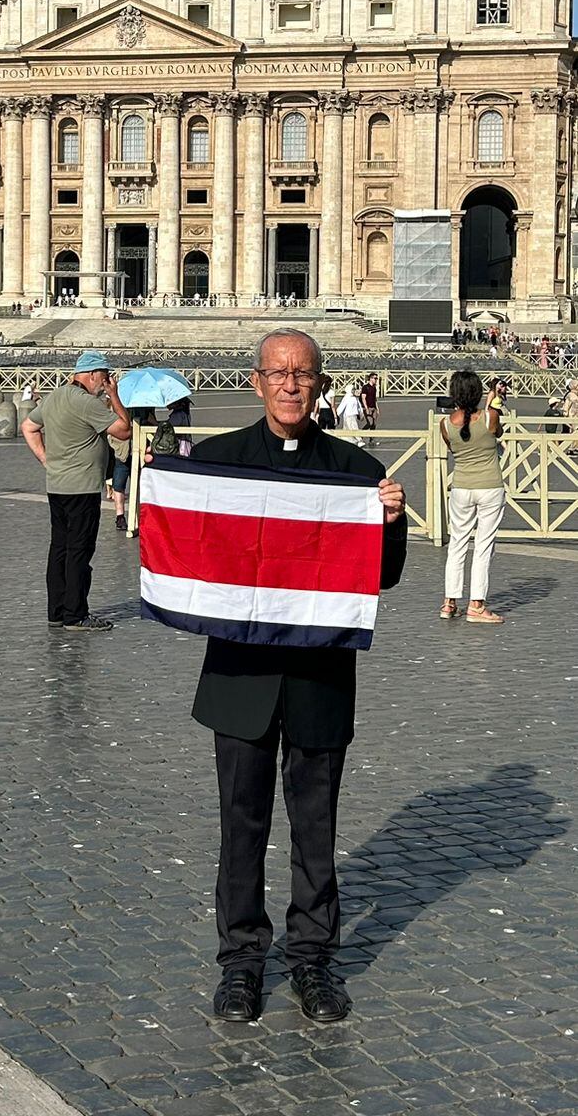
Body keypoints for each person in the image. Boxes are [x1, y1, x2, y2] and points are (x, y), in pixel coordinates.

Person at [184, 331, 406, 1025]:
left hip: (319, 679)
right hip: (241, 679)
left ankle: (313, 962)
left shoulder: (355, 472)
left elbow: (385, 575)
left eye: (302, 375)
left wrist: (390, 522)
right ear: (256, 382)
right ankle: (242, 964)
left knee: (316, 827)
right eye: (278, 373)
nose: (290, 386)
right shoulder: (215, 465)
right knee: (239, 827)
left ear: (319, 384)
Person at [21, 350, 131, 631]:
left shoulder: (55, 397)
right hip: (82, 488)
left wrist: (46, 459)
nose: (105, 384)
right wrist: (115, 396)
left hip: (57, 486)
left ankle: (56, 612)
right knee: (79, 551)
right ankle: (76, 614)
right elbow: (123, 430)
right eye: (104, 379)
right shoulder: (85, 402)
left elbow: (28, 426)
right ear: (92, 375)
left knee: (59, 548)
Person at [439, 370, 506, 624]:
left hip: (461, 487)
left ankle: (449, 602)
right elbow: (497, 434)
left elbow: (453, 446)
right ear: (478, 393)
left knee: (457, 544)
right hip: (490, 486)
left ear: (453, 394)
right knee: (483, 546)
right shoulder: (490, 417)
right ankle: (476, 605)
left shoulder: (444, 424)